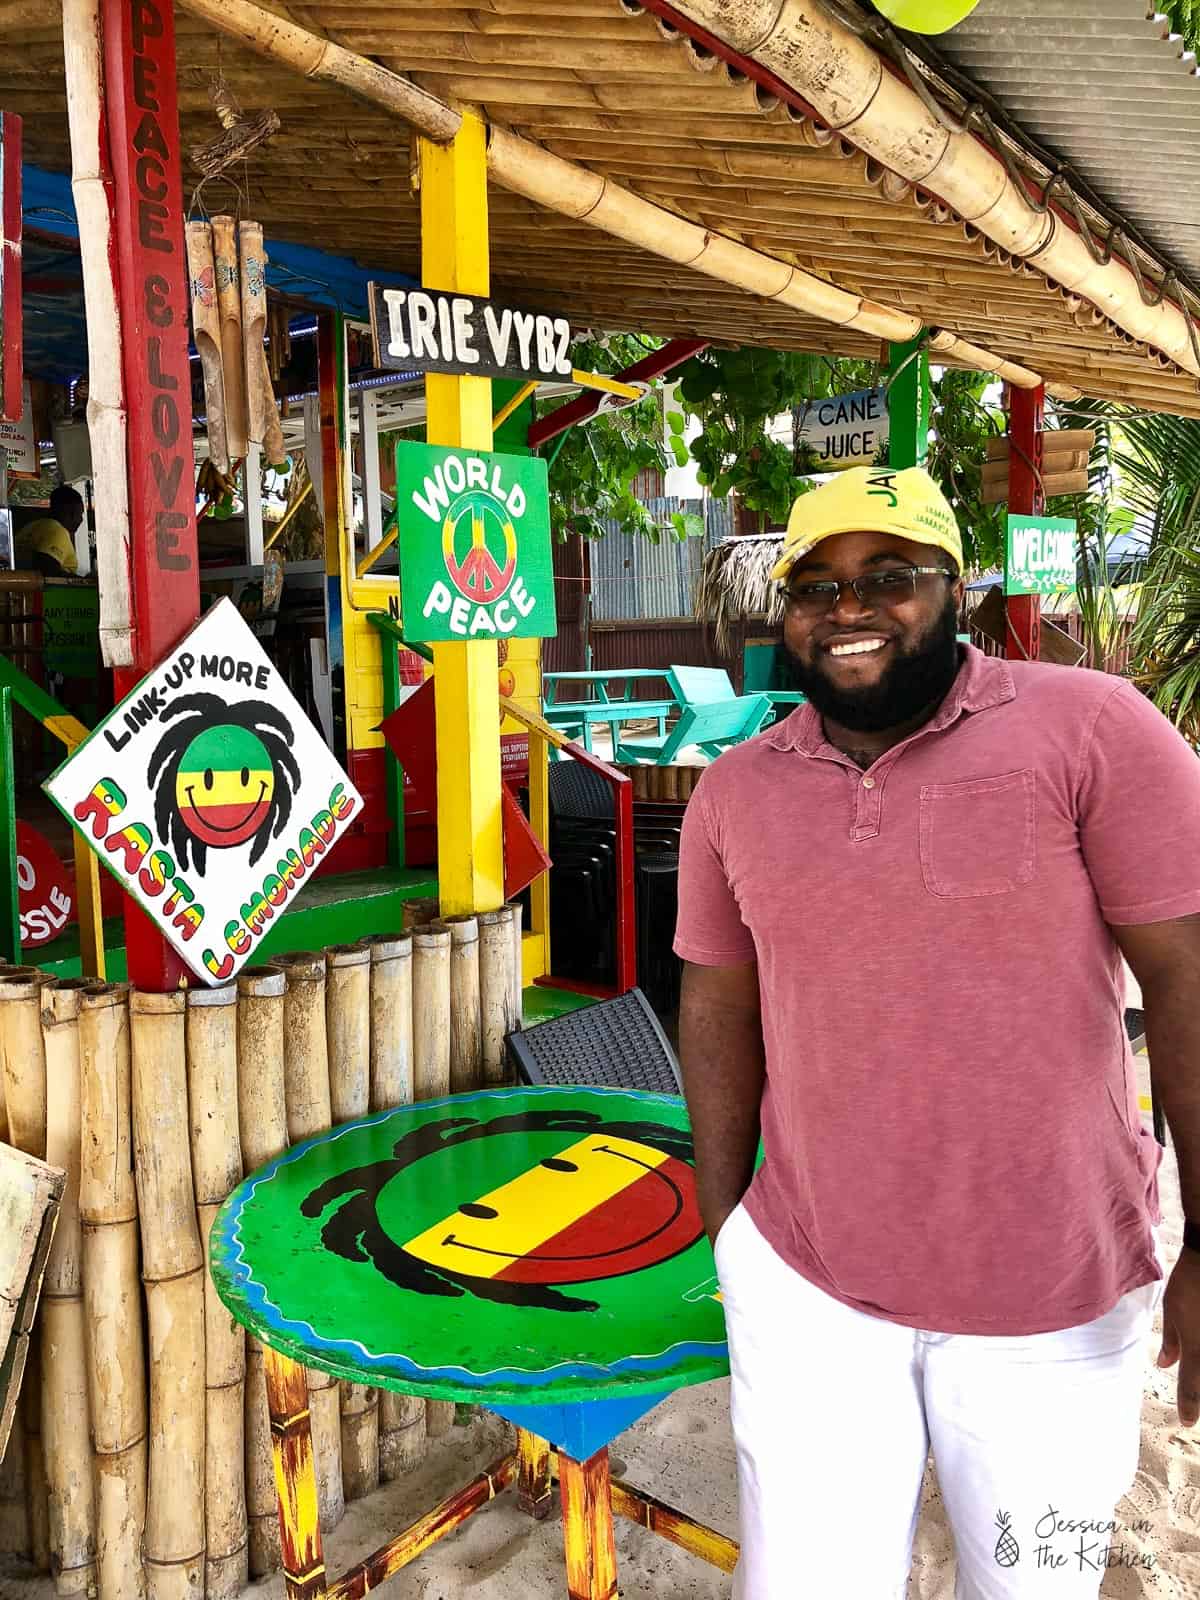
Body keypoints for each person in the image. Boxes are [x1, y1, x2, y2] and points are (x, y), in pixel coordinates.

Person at [675, 464, 1200, 1598]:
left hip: (1052, 1301)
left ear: (955, 591)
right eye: (814, 584)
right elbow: (717, 1005)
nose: (847, 608)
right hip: (810, 1288)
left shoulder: (1097, 731)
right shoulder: (735, 792)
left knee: (1035, 1583)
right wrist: (731, 1234)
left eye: (889, 577)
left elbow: (1188, 977)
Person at [14, 485, 84, 576]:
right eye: (80, 513)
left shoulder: (32, 526)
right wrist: (83, 581)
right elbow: (47, 570)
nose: (81, 520)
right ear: (68, 512)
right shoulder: (57, 531)